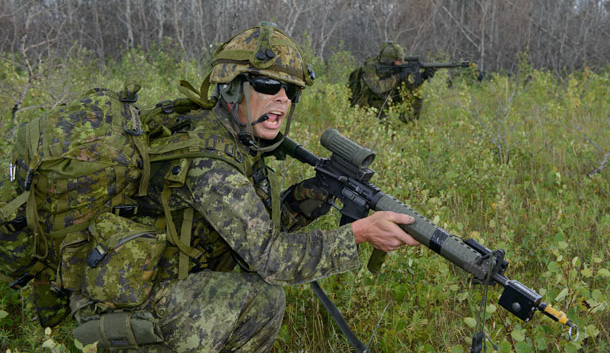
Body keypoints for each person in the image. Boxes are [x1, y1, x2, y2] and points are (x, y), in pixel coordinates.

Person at [68, 22, 420, 352]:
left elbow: (255, 229)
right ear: (233, 87)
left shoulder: (233, 137)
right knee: (264, 299)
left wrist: (310, 195)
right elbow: (270, 259)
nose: (282, 98)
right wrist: (358, 234)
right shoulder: (211, 162)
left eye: (291, 90)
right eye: (268, 85)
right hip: (127, 304)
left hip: (153, 277)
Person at [348, 41, 425, 122]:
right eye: (397, 60)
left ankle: (404, 125)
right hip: (371, 105)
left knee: (417, 99)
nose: (400, 62)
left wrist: (423, 76)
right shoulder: (371, 67)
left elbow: (410, 88)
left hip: (389, 101)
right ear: (389, 60)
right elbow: (377, 87)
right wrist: (397, 77)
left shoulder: (400, 68)